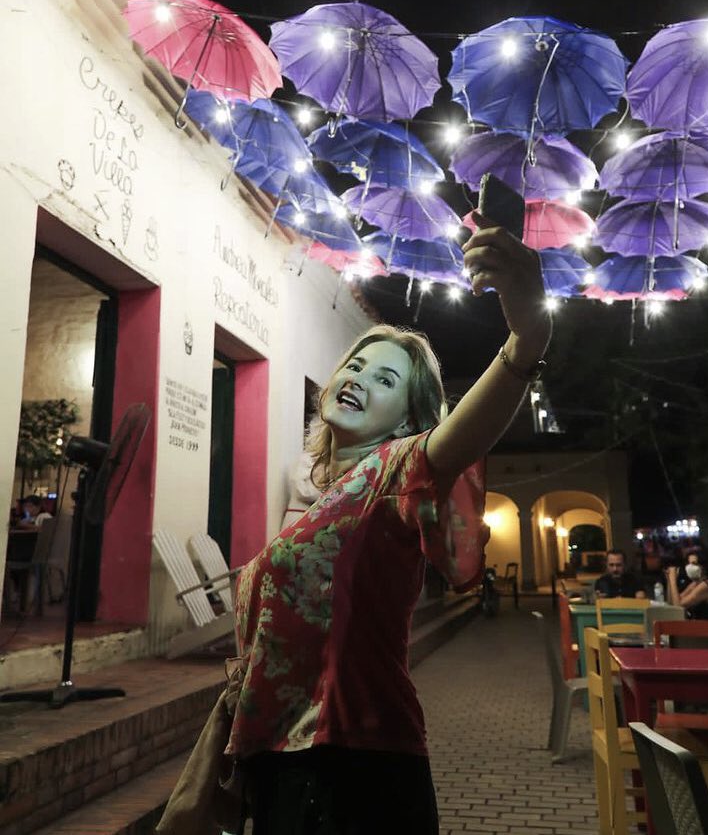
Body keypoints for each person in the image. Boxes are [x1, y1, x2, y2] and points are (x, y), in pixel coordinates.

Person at [158, 213, 551, 835]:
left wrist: (528, 336)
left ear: (407, 421)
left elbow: (458, 437)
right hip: (284, 759)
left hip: (353, 766)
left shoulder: (395, 470)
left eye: (386, 379)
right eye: (359, 365)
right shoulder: (324, 499)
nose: (362, 378)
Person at [666, 551, 708, 620]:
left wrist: (673, 580)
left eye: (694, 564)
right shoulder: (695, 583)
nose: (689, 567)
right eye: (688, 563)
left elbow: (678, 608)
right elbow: (672, 603)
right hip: (698, 626)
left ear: (703, 566)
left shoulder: (706, 585)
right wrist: (669, 580)